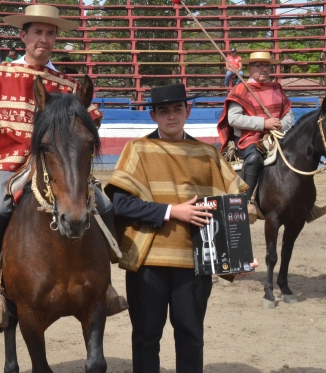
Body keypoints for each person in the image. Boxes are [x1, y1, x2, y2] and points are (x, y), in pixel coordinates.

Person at [0, 4, 128, 319]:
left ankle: (104, 285)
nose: (44, 39)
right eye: (38, 32)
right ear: (23, 35)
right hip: (4, 167)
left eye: (50, 33)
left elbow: (84, 127)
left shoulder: (65, 85)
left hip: (56, 168)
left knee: (103, 206)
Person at [104, 84, 256, 373]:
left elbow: (230, 205)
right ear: (153, 116)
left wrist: (239, 254)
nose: (171, 117)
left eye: (177, 110)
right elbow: (121, 204)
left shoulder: (207, 154)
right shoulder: (137, 150)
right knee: (146, 336)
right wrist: (173, 211)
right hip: (148, 262)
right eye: (164, 111)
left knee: (191, 335)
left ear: (188, 111)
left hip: (194, 261)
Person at [217, 51, 326, 223]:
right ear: (250, 68)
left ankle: (307, 205)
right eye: (259, 66)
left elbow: (288, 114)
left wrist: (278, 126)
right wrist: (264, 124)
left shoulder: (276, 88)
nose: (264, 69)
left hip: (277, 136)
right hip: (250, 138)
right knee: (254, 159)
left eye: (267, 66)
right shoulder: (240, 89)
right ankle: (249, 202)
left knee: (300, 157)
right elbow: (233, 119)